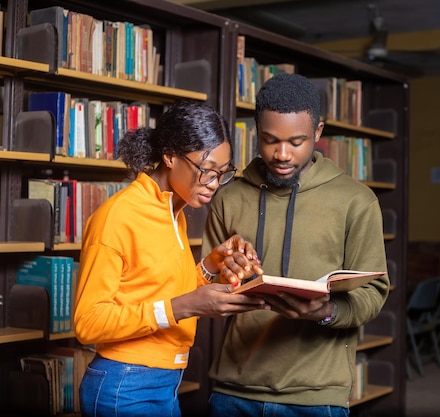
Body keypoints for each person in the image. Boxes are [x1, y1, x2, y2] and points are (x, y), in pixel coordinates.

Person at [203, 73, 390, 416]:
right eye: (270, 140)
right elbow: (202, 284)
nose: (282, 154)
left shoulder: (356, 201)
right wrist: (220, 275)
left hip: (316, 397)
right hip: (232, 390)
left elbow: (374, 292)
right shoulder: (229, 197)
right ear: (256, 130)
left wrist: (326, 312)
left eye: (297, 141)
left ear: (318, 133)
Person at [73, 100, 266, 417]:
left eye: (223, 173)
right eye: (206, 171)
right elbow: (87, 322)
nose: (214, 184)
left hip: (164, 384)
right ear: (170, 156)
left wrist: (209, 266)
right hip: (125, 384)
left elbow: (156, 290)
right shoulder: (118, 217)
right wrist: (187, 306)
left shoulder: (174, 213)